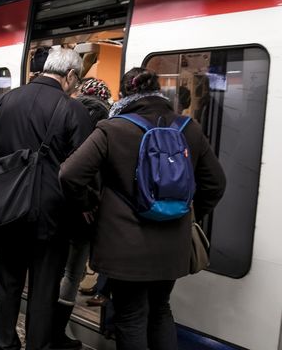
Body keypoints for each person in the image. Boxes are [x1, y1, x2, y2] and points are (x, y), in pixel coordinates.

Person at [59, 67, 227, 350]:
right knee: (161, 309)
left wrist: (89, 205)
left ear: (125, 95)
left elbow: (69, 174)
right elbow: (216, 183)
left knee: (131, 316)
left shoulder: (113, 129)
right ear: (159, 93)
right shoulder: (190, 128)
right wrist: (189, 214)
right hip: (173, 244)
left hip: (125, 245)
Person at [0, 48, 93, 350]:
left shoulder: (5, 101)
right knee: (43, 291)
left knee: (8, 284)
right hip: (51, 217)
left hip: (7, 210)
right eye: (76, 80)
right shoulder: (73, 110)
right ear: (69, 76)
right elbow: (82, 170)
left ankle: (5, 344)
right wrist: (84, 207)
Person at [51, 78, 112, 349]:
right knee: (73, 273)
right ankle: (57, 331)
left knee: (52, 270)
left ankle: (45, 329)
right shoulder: (104, 126)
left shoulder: (62, 115)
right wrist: (87, 204)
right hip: (85, 211)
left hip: (56, 206)